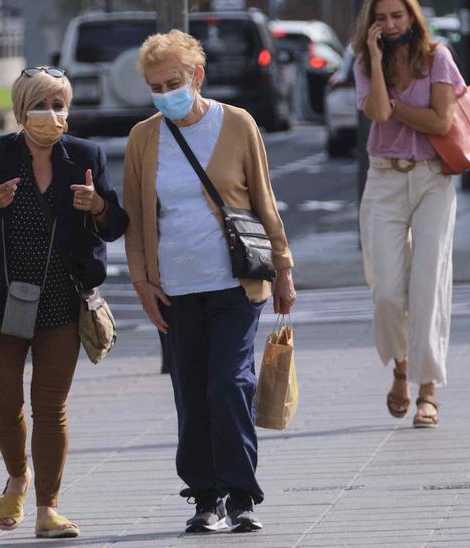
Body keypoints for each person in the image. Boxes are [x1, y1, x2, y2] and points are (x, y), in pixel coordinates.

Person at [0, 67, 128, 539]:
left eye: (60, 104)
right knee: (2, 408)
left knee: (50, 408)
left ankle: (48, 508)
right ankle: (17, 475)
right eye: (41, 105)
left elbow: (116, 223)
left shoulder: (85, 154)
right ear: (22, 110)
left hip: (60, 303)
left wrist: (98, 206)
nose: (51, 114)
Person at [123, 29, 296, 534]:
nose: (165, 93)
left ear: (197, 76)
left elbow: (264, 201)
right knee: (191, 391)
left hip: (234, 283)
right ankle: (204, 497)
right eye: (155, 86)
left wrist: (283, 267)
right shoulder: (143, 138)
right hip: (175, 287)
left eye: (173, 81)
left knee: (229, 383)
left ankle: (240, 493)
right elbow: (136, 217)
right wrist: (141, 281)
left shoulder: (237, 124)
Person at [352, 0, 465, 428]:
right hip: (384, 179)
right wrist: (377, 62)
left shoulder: (437, 57)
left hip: (432, 178)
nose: (391, 24)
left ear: (412, 17)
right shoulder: (365, 61)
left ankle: (427, 390)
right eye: (381, 18)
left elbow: (440, 122)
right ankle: (400, 366)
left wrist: (397, 109)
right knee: (386, 290)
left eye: (398, 15)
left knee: (428, 285)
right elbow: (378, 112)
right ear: (371, 24)